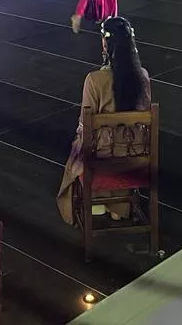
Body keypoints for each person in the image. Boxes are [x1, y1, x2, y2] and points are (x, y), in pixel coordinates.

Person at [56, 16, 152, 224]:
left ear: (105, 45)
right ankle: (120, 205)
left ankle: (98, 201)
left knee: (82, 147)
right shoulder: (143, 77)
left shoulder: (95, 80)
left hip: (102, 157)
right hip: (136, 155)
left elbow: (85, 126)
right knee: (116, 145)